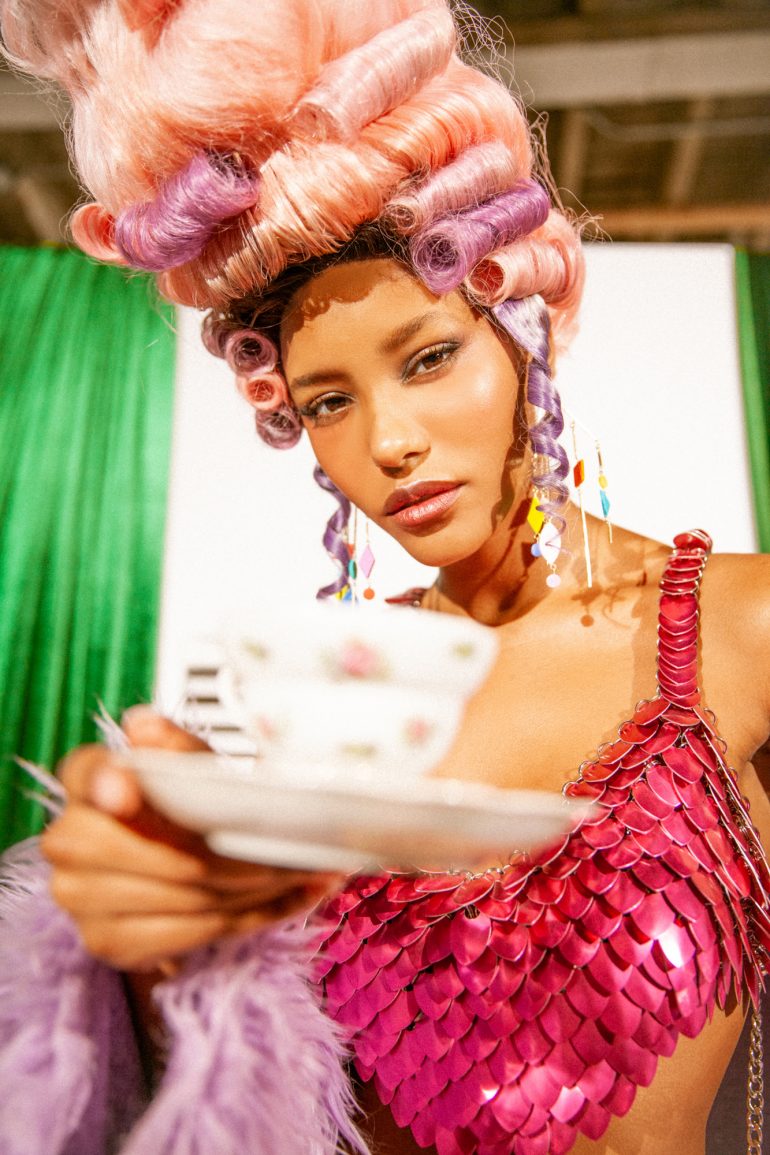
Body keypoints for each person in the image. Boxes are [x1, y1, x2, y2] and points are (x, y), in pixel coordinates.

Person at [1, 2, 769, 1153]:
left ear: (520, 338)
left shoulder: (737, 626)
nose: (390, 441)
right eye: (328, 401)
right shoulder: (342, 705)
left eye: (428, 358)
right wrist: (146, 944)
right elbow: (263, 1083)